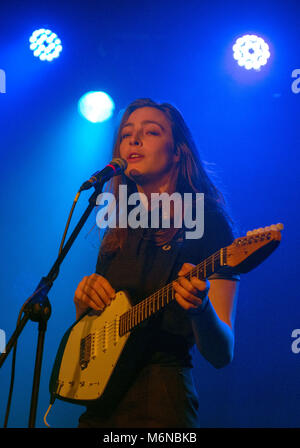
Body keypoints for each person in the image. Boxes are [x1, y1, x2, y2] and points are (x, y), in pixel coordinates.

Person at [74, 98, 239, 428]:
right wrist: (82, 305)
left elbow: (222, 353)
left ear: (177, 151)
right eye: (126, 134)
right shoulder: (118, 228)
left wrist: (201, 308)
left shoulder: (208, 220)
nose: (134, 140)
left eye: (150, 132)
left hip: (160, 398)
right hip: (101, 400)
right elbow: (94, 334)